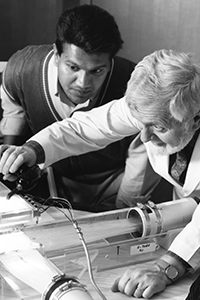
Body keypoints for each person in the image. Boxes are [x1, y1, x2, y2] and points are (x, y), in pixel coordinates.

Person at [1, 48, 199, 298]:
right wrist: (33, 150)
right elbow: (87, 128)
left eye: (158, 127)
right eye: (142, 124)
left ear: (195, 119)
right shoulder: (157, 107)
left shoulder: (181, 107)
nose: (145, 137)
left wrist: (167, 268)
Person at [0, 4, 155, 211]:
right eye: (73, 67)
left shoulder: (133, 83)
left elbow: (141, 155)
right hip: (54, 177)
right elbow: (13, 101)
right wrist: (14, 150)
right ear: (56, 54)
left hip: (115, 181)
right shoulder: (22, 68)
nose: (83, 83)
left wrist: (126, 209)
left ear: (111, 62)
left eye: (97, 71)